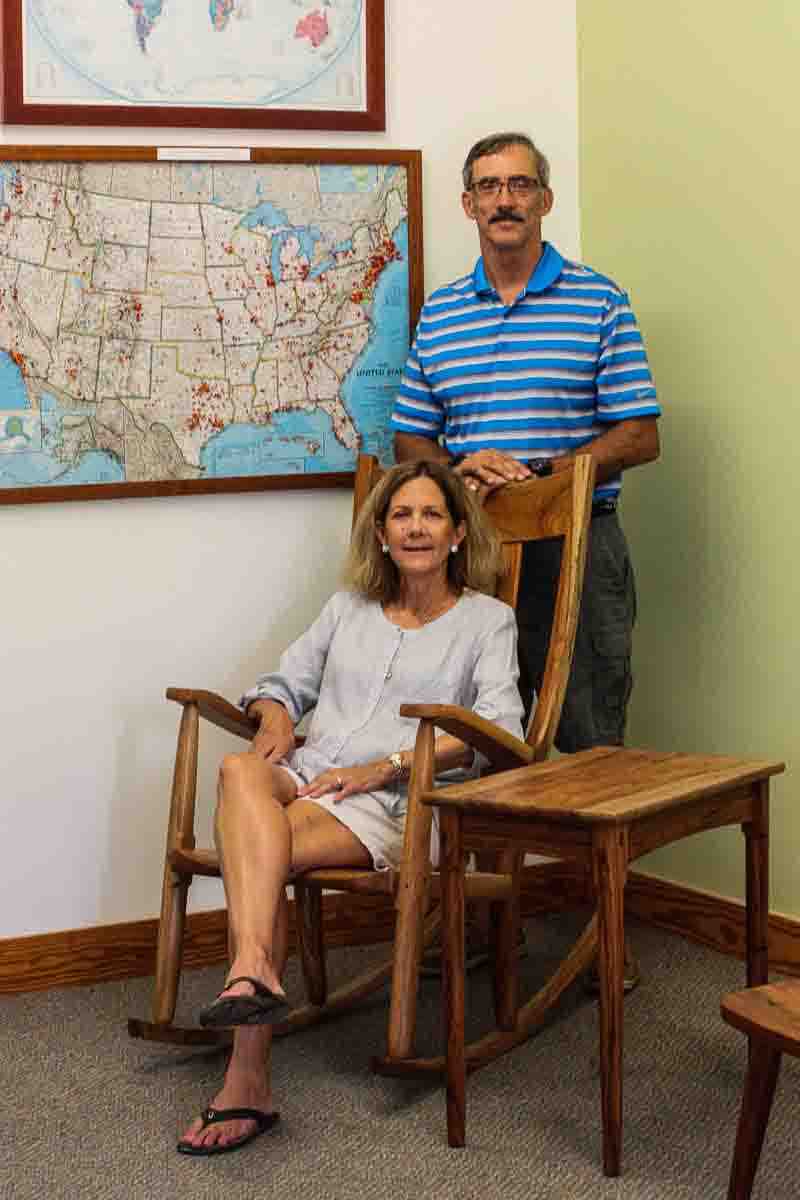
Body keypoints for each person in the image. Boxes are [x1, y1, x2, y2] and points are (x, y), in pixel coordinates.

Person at [177, 459, 524, 1156]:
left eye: (431, 514)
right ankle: (255, 968)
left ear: (458, 533)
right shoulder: (348, 609)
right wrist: (274, 715)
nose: (416, 527)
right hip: (310, 779)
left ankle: (247, 1075)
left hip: (400, 806)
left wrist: (385, 765)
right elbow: (281, 681)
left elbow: (504, 728)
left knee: (258, 851)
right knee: (240, 766)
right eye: (402, 515)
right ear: (383, 534)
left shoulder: (489, 621)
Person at [391, 131, 661, 983]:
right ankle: (477, 927)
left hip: (578, 552)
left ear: (545, 200)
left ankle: (602, 949)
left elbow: (640, 433)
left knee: (587, 749)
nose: (503, 201)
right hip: (471, 562)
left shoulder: (597, 300)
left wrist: (545, 472)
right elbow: (409, 435)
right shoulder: (442, 312)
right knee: (473, 739)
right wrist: (455, 466)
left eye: (519, 185)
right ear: (468, 206)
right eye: (487, 188)